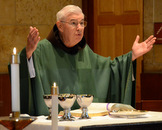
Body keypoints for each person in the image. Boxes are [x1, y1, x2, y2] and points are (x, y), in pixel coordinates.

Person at [19, 5, 156, 116]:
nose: (79, 28)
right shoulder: (42, 50)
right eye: (73, 23)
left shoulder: (84, 51)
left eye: (81, 23)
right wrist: (29, 53)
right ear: (60, 26)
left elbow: (110, 69)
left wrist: (131, 56)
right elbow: (23, 73)